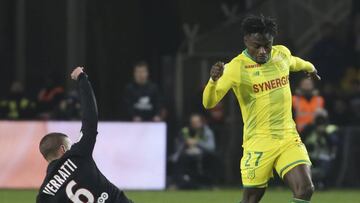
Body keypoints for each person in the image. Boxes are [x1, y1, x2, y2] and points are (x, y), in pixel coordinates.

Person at [203, 15, 321, 203]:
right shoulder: (236, 67)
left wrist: (311, 68)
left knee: (305, 189)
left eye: (267, 45)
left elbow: (296, 62)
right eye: (257, 45)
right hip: (258, 142)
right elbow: (209, 103)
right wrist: (212, 81)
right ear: (246, 40)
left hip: (288, 137)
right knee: (251, 199)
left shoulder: (281, 54)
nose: (263, 51)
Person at [37, 67, 133, 203]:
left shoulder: (44, 196)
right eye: (69, 145)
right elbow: (90, 117)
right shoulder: (77, 154)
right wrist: (82, 79)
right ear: (63, 150)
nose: (72, 147)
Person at [170, 113, 216, 189]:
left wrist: (197, 142)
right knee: (181, 159)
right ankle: (178, 183)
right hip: (186, 156)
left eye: (197, 122)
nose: (195, 124)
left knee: (211, 159)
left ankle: (208, 184)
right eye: (193, 123)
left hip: (204, 156)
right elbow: (178, 147)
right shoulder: (185, 131)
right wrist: (185, 143)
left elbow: (211, 147)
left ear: (201, 122)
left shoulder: (207, 132)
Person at [302, 109, 338, 189]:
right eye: (318, 119)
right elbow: (301, 140)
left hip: (324, 155)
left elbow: (334, 143)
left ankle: (322, 183)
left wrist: (324, 133)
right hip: (309, 155)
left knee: (324, 167)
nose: (320, 122)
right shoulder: (309, 128)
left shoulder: (330, 128)